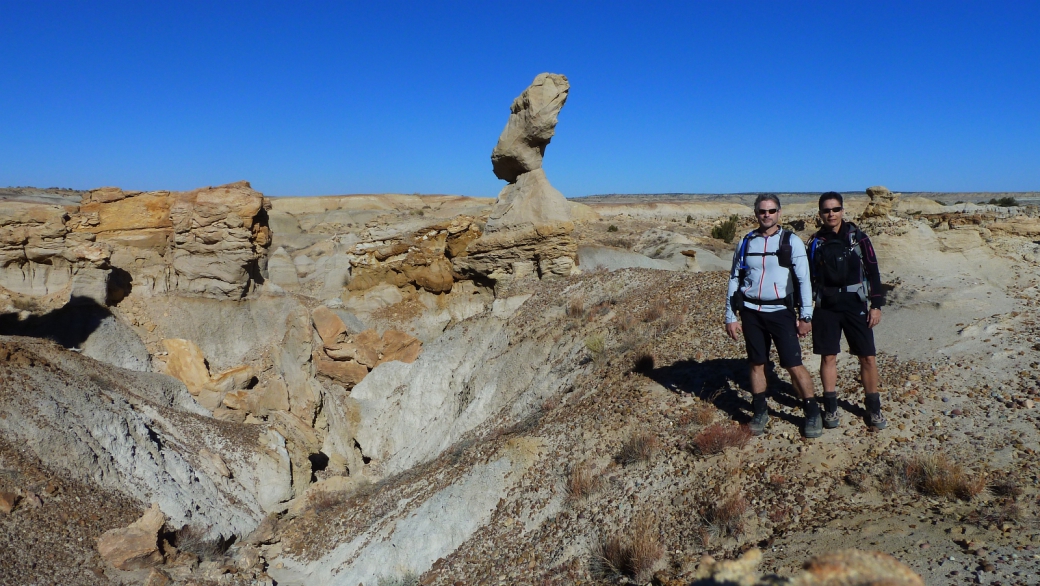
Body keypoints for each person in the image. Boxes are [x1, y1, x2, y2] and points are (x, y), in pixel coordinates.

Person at [724, 194, 819, 438]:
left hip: (780, 312)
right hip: (751, 311)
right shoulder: (746, 242)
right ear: (755, 213)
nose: (767, 215)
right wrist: (730, 315)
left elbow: (803, 280)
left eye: (771, 211)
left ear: (779, 212)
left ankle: (812, 411)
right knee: (756, 362)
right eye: (762, 211)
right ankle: (759, 411)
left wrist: (806, 316)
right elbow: (735, 278)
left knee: (793, 363)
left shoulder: (791, 241)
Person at [806, 192, 886, 430]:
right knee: (828, 356)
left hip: (855, 305)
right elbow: (806, 277)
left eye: (835, 209)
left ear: (843, 210)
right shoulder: (814, 243)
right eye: (826, 210)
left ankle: (874, 408)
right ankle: (830, 407)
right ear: (820, 213)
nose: (831, 214)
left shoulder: (859, 239)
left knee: (867, 357)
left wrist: (876, 305)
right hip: (826, 307)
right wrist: (803, 311)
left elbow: (873, 272)